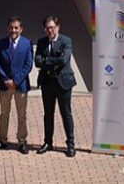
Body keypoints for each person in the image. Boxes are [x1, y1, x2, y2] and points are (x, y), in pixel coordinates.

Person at [34, 16, 77, 157]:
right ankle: (48, 142)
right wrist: (52, 61)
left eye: (52, 27)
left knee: (66, 114)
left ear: (58, 27)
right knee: (48, 114)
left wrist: (47, 61)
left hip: (63, 83)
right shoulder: (41, 42)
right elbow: (38, 61)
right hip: (47, 83)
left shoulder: (66, 41)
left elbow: (64, 59)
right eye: (47, 28)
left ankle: (70, 144)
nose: (50, 30)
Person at [0, 16, 34, 154]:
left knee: (21, 115)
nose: (13, 30)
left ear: (21, 29)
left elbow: (28, 65)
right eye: (11, 27)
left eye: (16, 27)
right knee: (4, 114)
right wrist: (6, 79)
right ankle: (2, 140)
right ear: (7, 28)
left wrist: (16, 81)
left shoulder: (27, 44)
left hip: (20, 86)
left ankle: (22, 141)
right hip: (4, 85)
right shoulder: (1, 43)